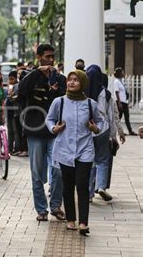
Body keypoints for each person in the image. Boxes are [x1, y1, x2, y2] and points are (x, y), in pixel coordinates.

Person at [46, 70, 104, 235]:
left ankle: (83, 222)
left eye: (75, 80)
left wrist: (95, 128)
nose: (71, 83)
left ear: (83, 83)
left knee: (83, 186)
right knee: (68, 186)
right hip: (64, 149)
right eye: (69, 80)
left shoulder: (91, 104)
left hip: (85, 149)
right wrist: (54, 128)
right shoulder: (60, 102)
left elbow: (100, 121)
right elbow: (49, 119)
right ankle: (71, 220)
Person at [18, 43, 65, 221]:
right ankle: (41, 209)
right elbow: (22, 91)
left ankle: (55, 206)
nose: (51, 60)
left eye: (53, 56)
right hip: (35, 131)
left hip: (55, 132)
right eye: (47, 57)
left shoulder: (60, 79)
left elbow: (62, 101)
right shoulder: (30, 76)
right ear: (39, 58)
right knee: (37, 173)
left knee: (58, 169)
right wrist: (39, 71)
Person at [86, 65, 116, 202]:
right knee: (102, 160)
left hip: (87, 130)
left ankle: (89, 193)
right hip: (103, 129)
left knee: (89, 161)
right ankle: (101, 186)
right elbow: (111, 116)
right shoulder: (106, 93)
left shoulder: (82, 92)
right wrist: (113, 136)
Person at [114, 68, 136, 135]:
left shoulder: (122, 81)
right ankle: (118, 131)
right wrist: (119, 103)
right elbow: (117, 92)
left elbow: (125, 91)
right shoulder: (116, 81)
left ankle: (130, 131)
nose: (123, 73)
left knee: (127, 117)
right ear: (119, 73)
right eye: (122, 72)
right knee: (119, 117)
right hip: (120, 102)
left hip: (125, 101)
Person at [6, 71, 20, 154]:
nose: (10, 81)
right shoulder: (10, 86)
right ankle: (9, 148)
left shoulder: (17, 86)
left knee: (15, 131)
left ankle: (16, 148)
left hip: (15, 111)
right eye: (9, 79)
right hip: (9, 111)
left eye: (12, 79)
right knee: (10, 131)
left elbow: (13, 98)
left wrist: (11, 94)